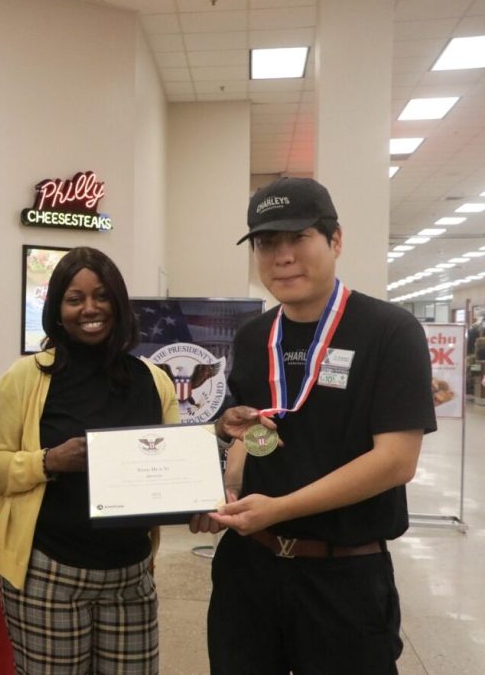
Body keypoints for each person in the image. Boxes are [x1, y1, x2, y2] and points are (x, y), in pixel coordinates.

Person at [192, 177, 437, 674]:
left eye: (297, 238)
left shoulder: (390, 331)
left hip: (343, 576)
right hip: (249, 572)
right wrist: (225, 485)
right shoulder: (255, 334)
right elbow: (264, 438)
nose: (282, 256)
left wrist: (278, 509)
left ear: (335, 240)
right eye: (266, 243)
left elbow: (395, 461)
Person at [0, 247, 179, 674]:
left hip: (131, 575)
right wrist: (48, 461)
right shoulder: (26, 378)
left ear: (119, 304)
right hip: (48, 573)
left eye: (102, 296)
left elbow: (173, 466)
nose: (90, 308)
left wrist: (196, 504)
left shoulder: (154, 380)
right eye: (75, 298)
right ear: (57, 308)